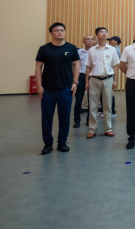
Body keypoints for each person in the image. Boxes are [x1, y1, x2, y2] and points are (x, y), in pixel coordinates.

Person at [35, 23, 80, 154]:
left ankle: (62, 142)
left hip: (65, 88)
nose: (60, 32)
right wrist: (39, 86)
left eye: (62, 30)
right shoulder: (44, 49)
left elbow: (76, 65)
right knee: (47, 118)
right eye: (57, 30)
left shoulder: (71, 48)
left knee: (64, 117)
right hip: (47, 89)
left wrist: (75, 82)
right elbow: (38, 67)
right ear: (51, 33)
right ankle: (48, 143)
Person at [85, 27, 120, 138]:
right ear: (97, 35)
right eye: (101, 32)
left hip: (108, 80)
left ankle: (108, 129)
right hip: (94, 80)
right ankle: (92, 129)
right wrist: (86, 82)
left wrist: (115, 80)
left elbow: (115, 66)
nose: (104, 34)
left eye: (106, 32)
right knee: (93, 106)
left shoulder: (112, 49)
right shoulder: (92, 50)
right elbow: (88, 67)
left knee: (107, 106)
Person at [73, 35, 94, 128]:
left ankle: (89, 120)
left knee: (91, 101)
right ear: (83, 41)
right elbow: (75, 66)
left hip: (92, 77)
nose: (90, 41)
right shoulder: (79, 52)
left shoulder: (96, 51)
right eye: (88, 39)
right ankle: (77, 120)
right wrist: (75, 80)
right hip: (81, 77)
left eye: (91, 39)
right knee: (78, 100)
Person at [106, 36, 122, 117]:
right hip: (110, 73)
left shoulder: (115, 50)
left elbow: (114, 64)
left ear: (115, 41)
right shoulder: (115, 49)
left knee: (109, 93)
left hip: (110, 73)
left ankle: (112, 111)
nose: (109, 42)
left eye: (111, 40)